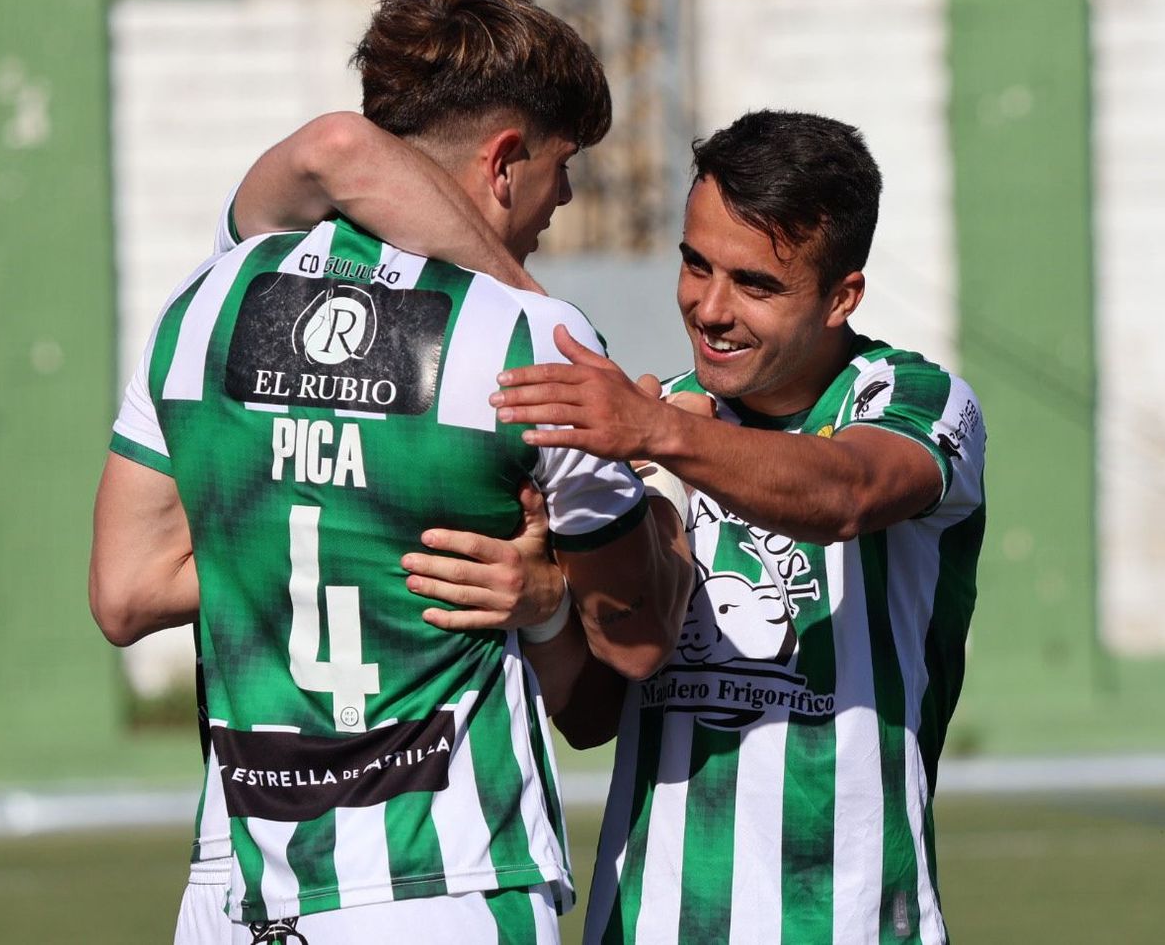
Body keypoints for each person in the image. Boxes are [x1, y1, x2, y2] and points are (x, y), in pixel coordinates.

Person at [89, 0, 695, 943]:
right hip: (442, 876)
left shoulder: (201, 302)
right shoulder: (535, 349)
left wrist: (336, 526)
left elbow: (124, 592)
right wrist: (654, 501)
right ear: (504, 161)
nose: (567, 196)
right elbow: (630, 649)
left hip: (238, 883)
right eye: (563, 164)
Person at [315, 108, 988, 942]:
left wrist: (657, 433)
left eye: (756, 284)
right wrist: (550, 604)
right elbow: (597, 710)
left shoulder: (911, 400)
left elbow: (847, 492)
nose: (710, 308)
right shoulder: (652, 422)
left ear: (841, 296)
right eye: (695, 264)